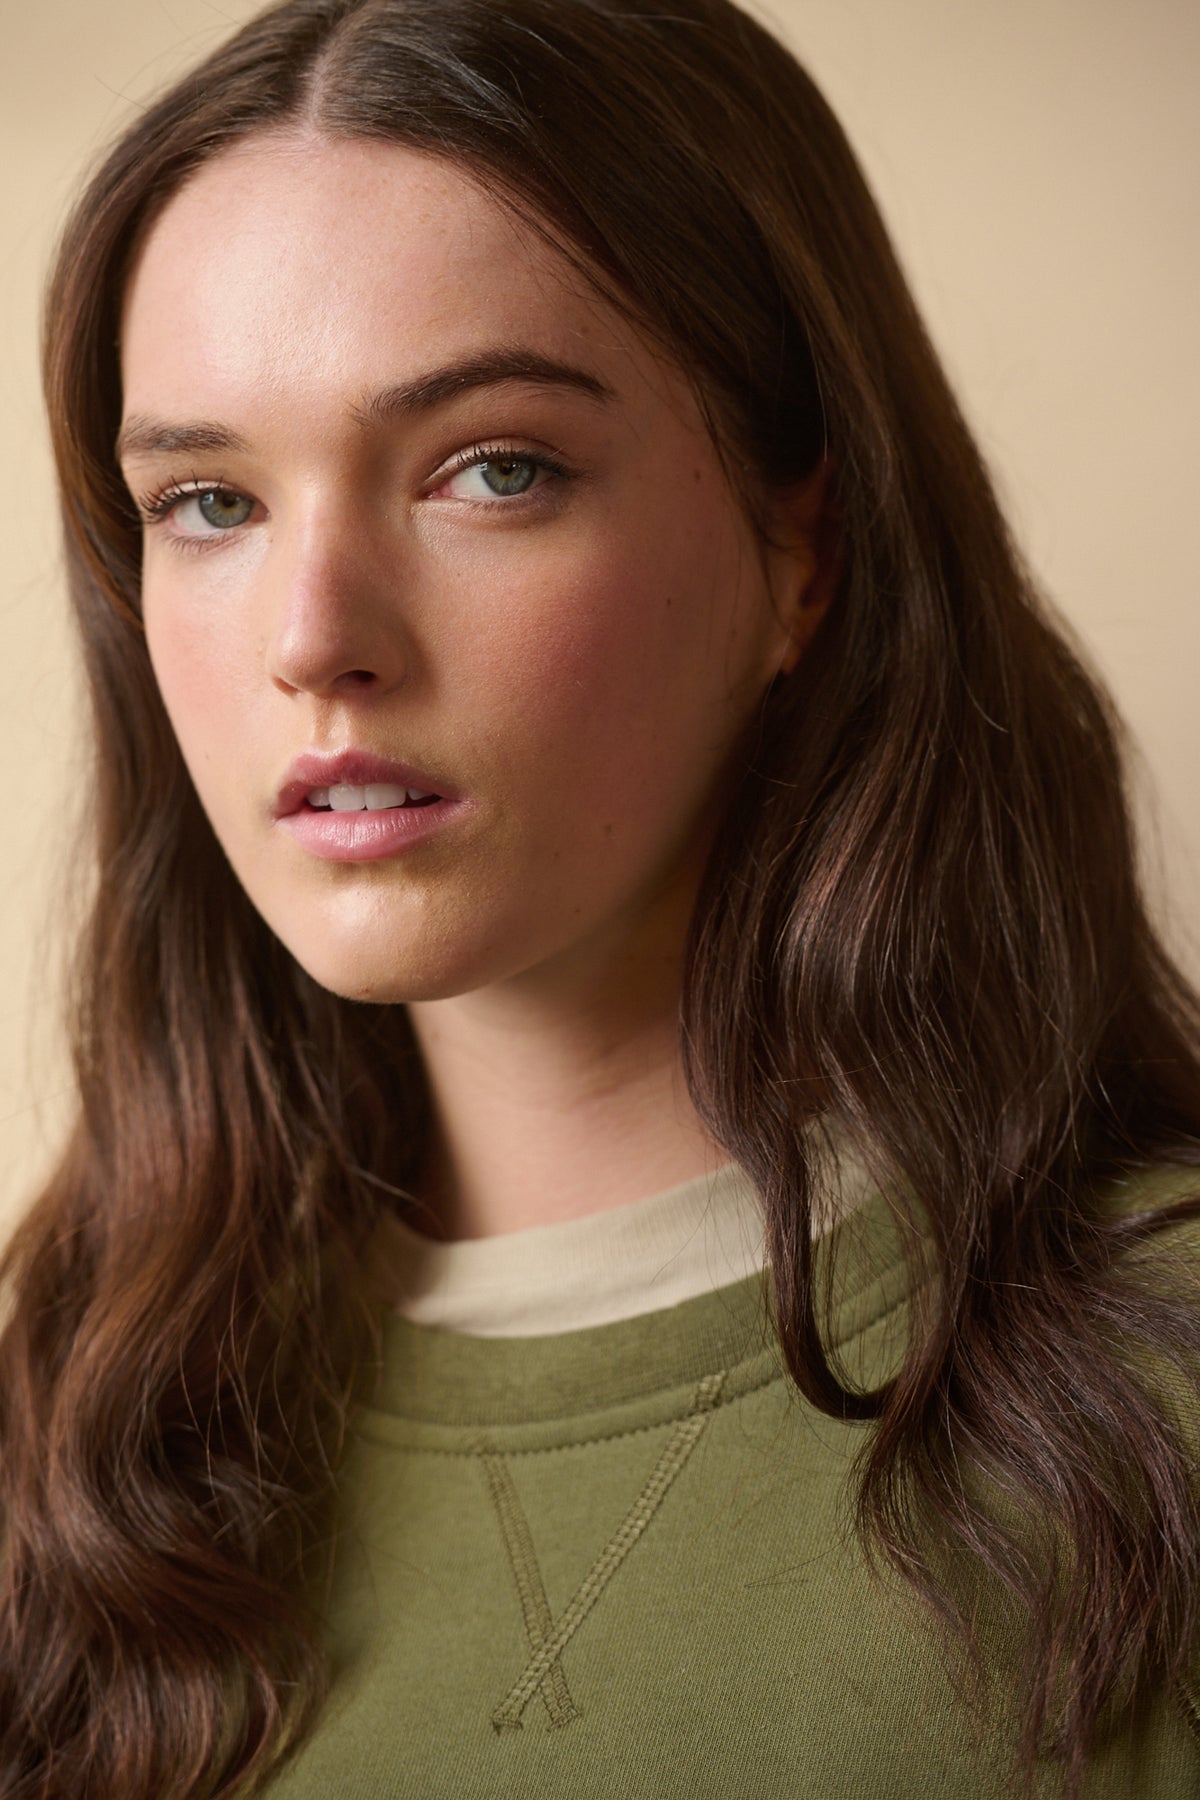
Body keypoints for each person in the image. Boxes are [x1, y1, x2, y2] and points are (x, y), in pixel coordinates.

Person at [2, 0, 1198, 1793]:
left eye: (495, 469)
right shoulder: (65, 1437)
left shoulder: (1160, 1384)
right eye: (208, 501)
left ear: (804, 549)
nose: (314, 638)